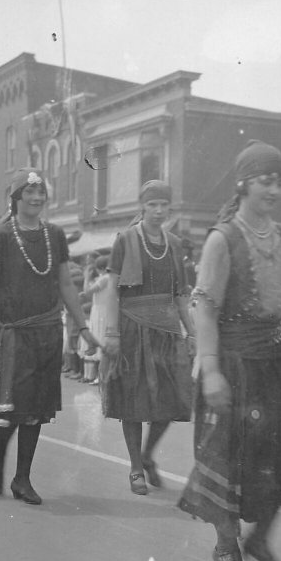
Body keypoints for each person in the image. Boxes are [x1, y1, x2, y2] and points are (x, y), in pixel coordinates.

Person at [178, 141, 281, 561]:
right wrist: (211, 369)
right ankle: (226, 546)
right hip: (234, 365)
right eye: (263, 180)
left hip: (276, 365)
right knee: (228, 461)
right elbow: (205, 308)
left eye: (278, 182)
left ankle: (260, 541)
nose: (272, 190)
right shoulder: (222, 238)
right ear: (244, 183)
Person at [0, 168, 97, 505]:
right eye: (29, 192)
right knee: (13, 406)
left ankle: (22, 478)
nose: (37, 198)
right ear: (16, 198)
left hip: (48, 332)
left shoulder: (54, 234)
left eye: (41, 192)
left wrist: (83, 327)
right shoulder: (2, 235)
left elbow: (66, 284)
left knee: (37, 409)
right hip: (13, 334)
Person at [101, 180, 195, 495]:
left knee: (173, 398)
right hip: (131, 328)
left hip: (166, 331)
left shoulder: (176, 244)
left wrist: (192, 333)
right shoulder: (125, 241)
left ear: (170, 207)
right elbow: (112, 291)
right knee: (133, 400)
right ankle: (135, 468)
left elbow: (181, 295)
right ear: (142, 206)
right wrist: (112, 333)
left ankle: (147, 453)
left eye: (163, 205)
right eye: (152, 204)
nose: (158, 211)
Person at [79, 254, 110, 385]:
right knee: (101, 340)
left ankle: (102, 375)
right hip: (101, 310)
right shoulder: (106, 278)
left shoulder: (104, 279)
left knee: (101, 340)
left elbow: (87, 292)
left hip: (101, 312)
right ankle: (101, 375)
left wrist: (86, 277)